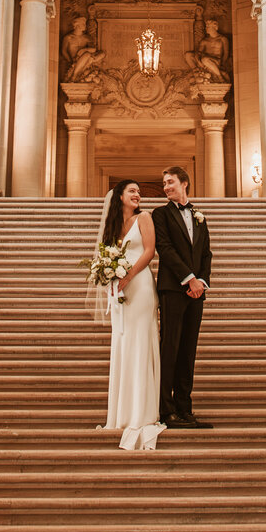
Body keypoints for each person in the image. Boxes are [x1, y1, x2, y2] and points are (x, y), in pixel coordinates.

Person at [96, 179, 165, 453]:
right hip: (120, 288)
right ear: (120, 197)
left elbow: (149, 251)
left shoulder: (144, 218)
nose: (138, 195)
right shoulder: (112, 225)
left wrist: (128, 276)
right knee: (123, 344)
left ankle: (143, 411)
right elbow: (105, 256)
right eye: (132, 191)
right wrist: (110, 276)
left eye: (138, 191)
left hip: (141, 286)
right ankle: (123, 412)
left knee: (140, 342)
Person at [152, 165, 213, 429]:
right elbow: (164, 248)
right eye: (164, 183)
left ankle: (185, 408)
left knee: (188, 350)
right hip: (173, 288)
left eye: (170, 182)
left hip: (196, 292)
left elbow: (206, 253)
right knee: (171, 348)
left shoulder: (200, 216)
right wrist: (188, 278)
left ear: (184, 183)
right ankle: (166, 410)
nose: (166, 187)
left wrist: (201, 282)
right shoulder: (160, 214)